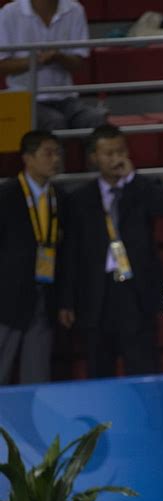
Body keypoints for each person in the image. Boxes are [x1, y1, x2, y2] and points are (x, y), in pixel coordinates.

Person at [59, 124, 163, 378]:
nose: (116, 159)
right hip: (96, 294)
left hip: (135, 293)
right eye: (108, 153)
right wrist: (66, 299)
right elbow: (71, 253)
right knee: (99, 369)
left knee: (143, 367)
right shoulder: (79, 200)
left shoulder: (142, 187)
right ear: (93, 158)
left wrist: (131, 178)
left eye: (120, 151)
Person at [0, 130, 66, 384]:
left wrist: (65, 301)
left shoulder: (60, 198)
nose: (55, 159)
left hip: (44, 299)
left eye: (58, 153)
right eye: (48, 153)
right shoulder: (6, 196)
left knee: (36, 378)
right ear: (27, 158)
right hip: (6, 302)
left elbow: (67, 253)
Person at [0, 0, 108, 131]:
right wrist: (36, 60)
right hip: (24, 99)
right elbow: (2, 65)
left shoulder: (75, 9)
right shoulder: (9, 12)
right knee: (54, 122)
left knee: (95, 119)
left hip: (66, 98)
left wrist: (58, 57)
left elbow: (79, 63)